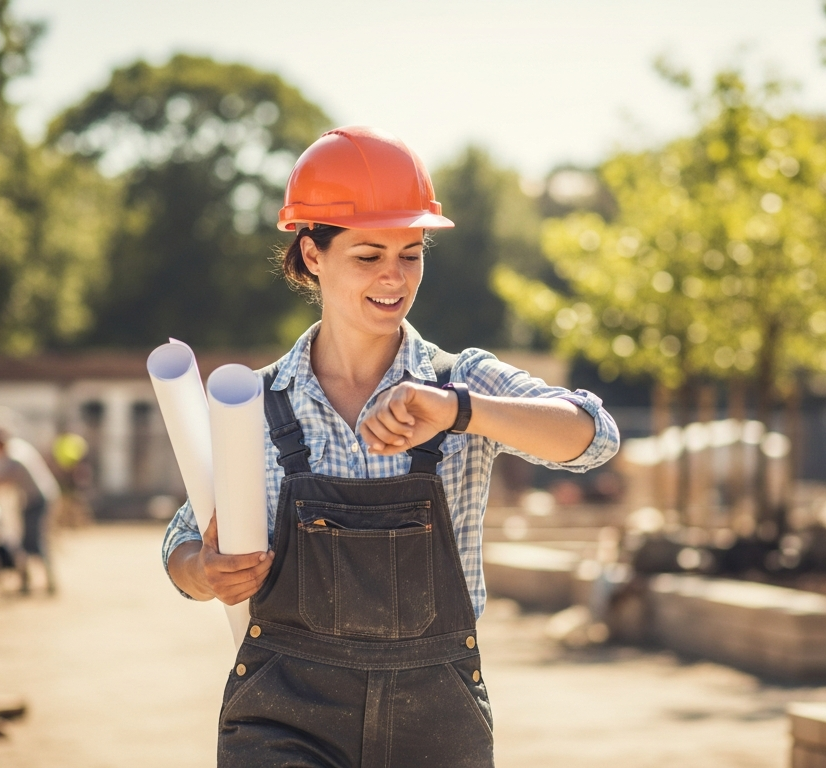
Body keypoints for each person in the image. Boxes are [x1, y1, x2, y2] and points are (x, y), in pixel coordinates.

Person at [161, 126, 620, 767]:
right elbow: (182, 542)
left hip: (436, 718)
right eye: (369, 254)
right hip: (286, 716)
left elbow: (594, 436)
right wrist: (202, 572)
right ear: (313, 253)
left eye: (411, 252)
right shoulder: (256, 407)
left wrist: (460, 412)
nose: (394, 277)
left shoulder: (461, 380)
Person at [0, 413, 61, 595]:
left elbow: (4, 479)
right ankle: (31, 581)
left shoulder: (14, 455)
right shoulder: (15, 450)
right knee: (27, 540)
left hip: (38, 498)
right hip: (33, 498)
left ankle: (46, 583)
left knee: (33, 541)